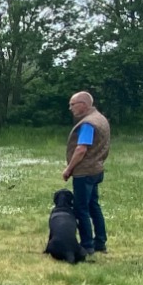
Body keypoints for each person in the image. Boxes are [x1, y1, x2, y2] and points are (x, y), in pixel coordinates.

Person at [61, 90, 112, 256]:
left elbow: (81, 149)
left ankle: (87, 245)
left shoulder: (88, 124)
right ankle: (100, 242)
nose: (70, 108)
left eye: (72, 104)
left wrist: (69, 169)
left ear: (83, 105)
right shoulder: (100, 118)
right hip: (97, 169)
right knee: (93, 206)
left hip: (85, 172)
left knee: (81, 209)